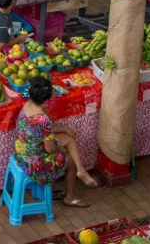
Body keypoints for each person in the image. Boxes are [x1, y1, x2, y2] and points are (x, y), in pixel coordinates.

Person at [14, 77, 101, 209]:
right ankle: (70, 197)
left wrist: (64, 129)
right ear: (47, 98)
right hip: (33, 162)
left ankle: (82, 171)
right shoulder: (43, 119)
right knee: (70, 162)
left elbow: (44, 129)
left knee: (69, 137)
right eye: (52, 89)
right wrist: (62, 150)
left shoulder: (29, 105)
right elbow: (50, 149)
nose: (55, 90)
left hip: (23, 150)